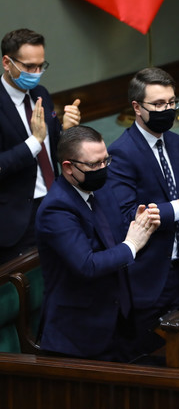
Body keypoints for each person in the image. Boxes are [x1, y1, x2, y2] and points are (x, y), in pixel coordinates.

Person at [107, 67, 179, 357]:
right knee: (149, 358)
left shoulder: (177, 143)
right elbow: (128, 217)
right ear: (137, 107)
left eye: (171, 102)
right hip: (145, 277)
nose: (167, 110)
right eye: (158, 105)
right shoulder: (122, 152)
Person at [35, 125, 160, 362]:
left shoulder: (100, 190)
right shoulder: (57, 209)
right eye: (94, 165)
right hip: (78, 338)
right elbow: (88, 265)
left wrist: (140, 225)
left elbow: (118, 237)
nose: (103, 169)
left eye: (106, 161)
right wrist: (132, 244)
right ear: (68, 167)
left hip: (117, 322)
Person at [0, 28, 81, 265]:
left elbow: (53, 147)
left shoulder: (40, 93)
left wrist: (64, 129)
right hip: (17, 217)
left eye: (40, 66)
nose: (36, 74)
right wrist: (33, 143)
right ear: (7, 62)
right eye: (28, 67)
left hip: (55, 202)